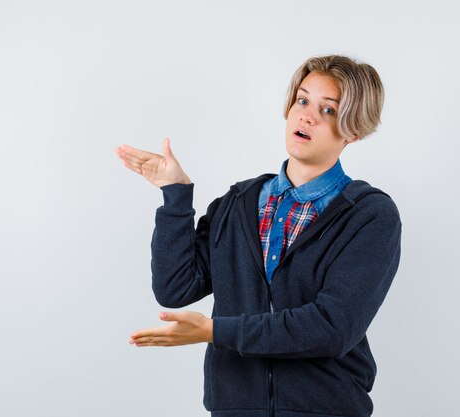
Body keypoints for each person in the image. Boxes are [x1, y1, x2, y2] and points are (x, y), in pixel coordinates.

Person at [115, 55, 401, 417]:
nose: (307, 116)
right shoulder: (239, 202)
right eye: (302, 100)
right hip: (235, 407)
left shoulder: (369, 215)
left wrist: (216, 331)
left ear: (354, 130)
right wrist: (176, 195)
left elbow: (332, 328)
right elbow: (175, 288)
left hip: (325, 408)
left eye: (328, 110)